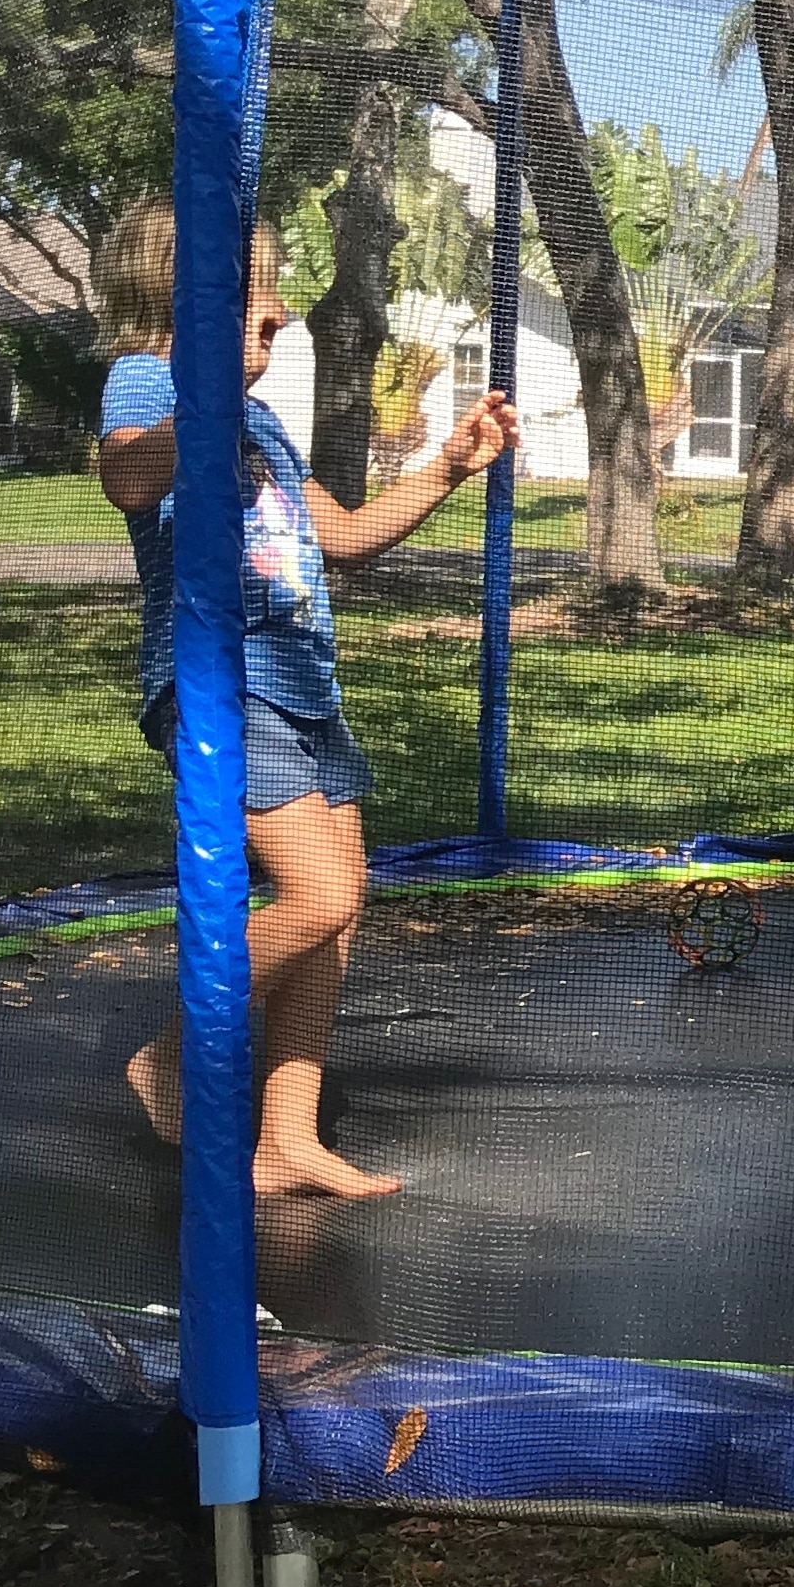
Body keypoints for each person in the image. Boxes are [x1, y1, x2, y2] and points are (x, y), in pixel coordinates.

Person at [92, 199, 518, 1198]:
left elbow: (347, 536)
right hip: (220, 680)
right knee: (320, 894)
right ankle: (169, 1056)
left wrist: (448, 467)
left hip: (300, 685)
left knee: (340, 909)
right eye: (254, 291)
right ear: (184, 296)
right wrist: (207, 390)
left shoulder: (263, 423)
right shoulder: (147, 379)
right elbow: (127, 479)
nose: (278, 310)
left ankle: (286, 1137)